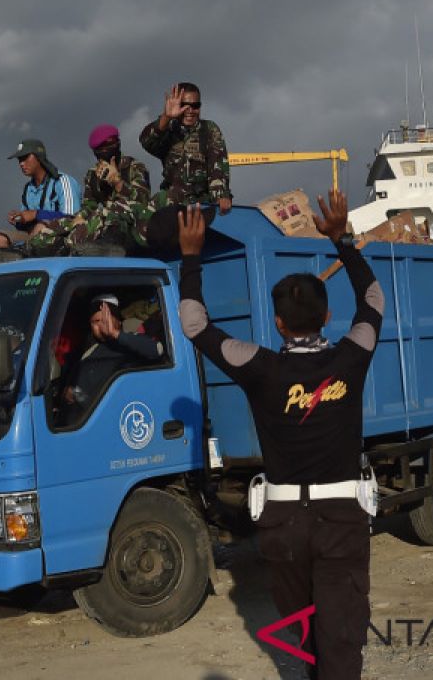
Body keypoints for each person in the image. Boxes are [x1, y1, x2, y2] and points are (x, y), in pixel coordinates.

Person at [176, 190, 383, 680]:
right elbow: (373, 301)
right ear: (327, 318)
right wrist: (343, 242)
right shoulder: (351, 356)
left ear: (278, 323)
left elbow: (193, 323)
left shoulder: (260, 367)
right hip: (341, 520)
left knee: (307, 632)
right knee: (342, 634)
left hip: (282, 523)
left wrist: (191, 256)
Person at [27, 125, 155, 257]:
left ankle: (77, 246)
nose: (106, 152)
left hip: (129, 222)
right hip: (103, 220)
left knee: (109, 213)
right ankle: (37, 249)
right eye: (101, 150)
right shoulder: (93, 174)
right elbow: (90, 204)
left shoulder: (134, 167)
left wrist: (117, 182)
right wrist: (80, 217)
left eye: (110, 146)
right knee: (60, 224)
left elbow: (141, 200)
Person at [53, 293, 163, 427]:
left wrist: (115, 334)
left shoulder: (130, 342)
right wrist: (67, 391)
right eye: (95, 322)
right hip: (78, 422)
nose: (101, 326)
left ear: (118, 320)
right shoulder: (86, 349)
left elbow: (156, 350)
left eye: (105, 320)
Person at [139, 82, 233, 214]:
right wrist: (166, 117)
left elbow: (218, 166)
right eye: (184, 106)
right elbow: (146, 141)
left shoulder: (209, 129)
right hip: (171, 203)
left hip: (201, 204)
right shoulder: (169, 130)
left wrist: (221, 197)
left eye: (195, 106)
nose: (190, 111)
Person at [0, 139, 82, 261]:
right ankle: (9, 274)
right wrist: (19, 219)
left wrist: (36, 214)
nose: (21, 163)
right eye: (19, 160)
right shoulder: (28, 189)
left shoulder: (63, 181)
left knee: (40, 226)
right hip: (33, 236)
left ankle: (24, 259)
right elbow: (26, 223)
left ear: (39, 157)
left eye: (25, 158)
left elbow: (74, 219)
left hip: (62, 239)